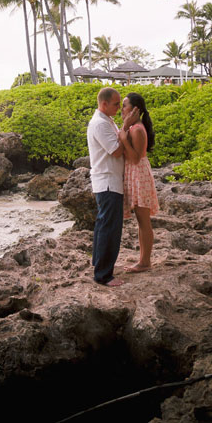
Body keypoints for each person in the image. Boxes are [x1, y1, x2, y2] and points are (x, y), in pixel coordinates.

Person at [116, 92, 160, 272]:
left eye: (124, 105)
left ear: (135, 109)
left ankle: (145, 262)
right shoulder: (133, 127)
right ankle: (143, 260)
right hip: (135, 175)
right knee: (141, 221)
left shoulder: (138, 130)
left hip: (139, 175)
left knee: (143, 221)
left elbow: (135, 158)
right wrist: (125, 129)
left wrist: (124, 139)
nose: (121, 109)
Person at [87, 87, 126, 287]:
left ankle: (99, 267)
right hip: (108, 182)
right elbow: (117, 151)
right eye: (116, 104)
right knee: (110, 229)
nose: (119, 108)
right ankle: (103, 275)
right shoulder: (100, 124)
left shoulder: (106, 121)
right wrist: (126, 127)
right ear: (104, 104)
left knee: (104, 226)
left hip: (109, 181)